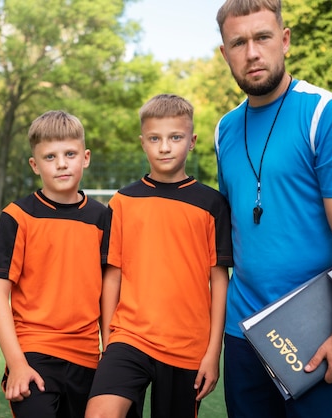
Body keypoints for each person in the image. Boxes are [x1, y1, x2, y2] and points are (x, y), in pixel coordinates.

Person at [214, 0, 332, 417]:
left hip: (316, 332)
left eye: (263, 37)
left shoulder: (328, 114)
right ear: (225, 53)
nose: (252, 52)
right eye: (238, 42)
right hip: (243, 332)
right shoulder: (224, 129)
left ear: (284, 41)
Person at [85, 94, 233, 418]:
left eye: (175, 137)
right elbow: (113, 274)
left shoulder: (212, 204)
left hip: (187, 347)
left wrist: (213, 352)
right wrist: (108, 339)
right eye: (155, 138)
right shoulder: (123, 201)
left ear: (191, 141)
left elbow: (219, 281)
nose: (164, 147)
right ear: (143, 143)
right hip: (129, 337)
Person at [0, 110, 110, 417]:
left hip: (87, 358)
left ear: (86, 157)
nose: (62, 163)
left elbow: (109, 291)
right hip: (34, 354)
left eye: (70, 153)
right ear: (35, 164)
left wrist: (110, 352)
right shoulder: (17, 216)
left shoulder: (102, 217)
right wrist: (16, 364)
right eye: (50, 156)